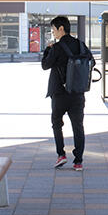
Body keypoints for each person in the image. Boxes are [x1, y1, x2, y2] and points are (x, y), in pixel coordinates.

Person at [41, 16, 85, 170]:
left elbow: (45, 65)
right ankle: (78, 161)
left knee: (57, 124)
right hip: (78, 93)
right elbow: (90, 62)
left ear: (61, 28)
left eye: (54, 30)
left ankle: (61, 155)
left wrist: (48, 50)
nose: (53, 33)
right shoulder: (81, 45)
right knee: (78, 126)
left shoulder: (57, 47)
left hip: (59, 93)